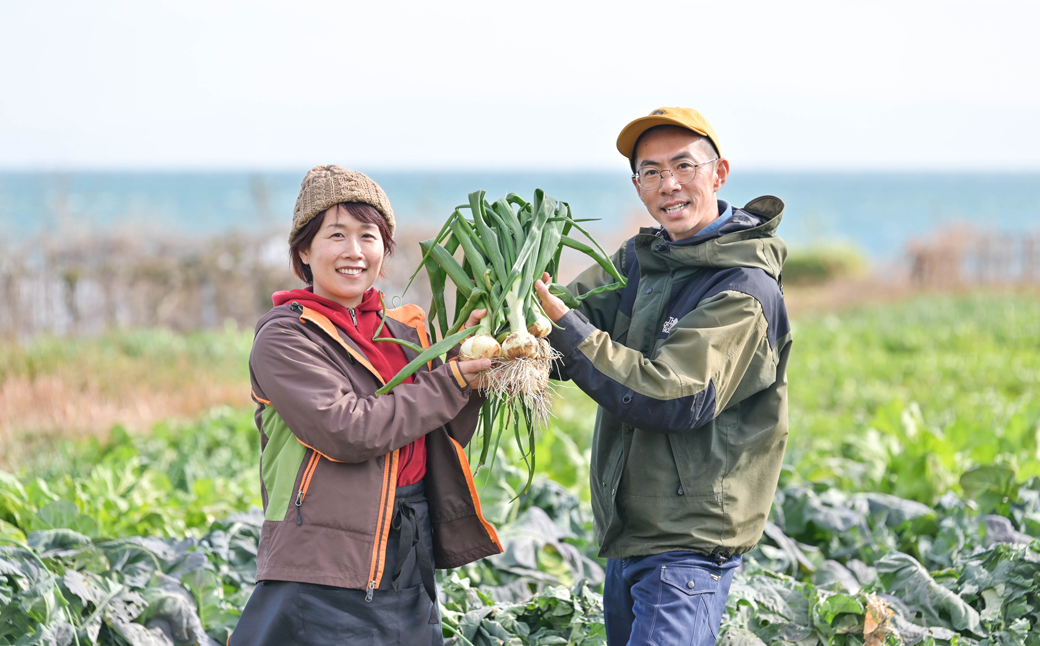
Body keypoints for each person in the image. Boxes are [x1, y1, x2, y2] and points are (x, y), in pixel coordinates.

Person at [534, 108, 792, 646]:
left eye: (683, 166)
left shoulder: (743, 289)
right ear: (637, 185)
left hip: (688, 545)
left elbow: (675, 395)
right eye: (650, 172)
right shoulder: (640, 260)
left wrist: (562, 328)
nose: (668, 184)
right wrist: (512, 325)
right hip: (631, 536)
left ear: (718, 173)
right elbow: (568, 332)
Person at [230, 165, 502, 645]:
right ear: (304, 251)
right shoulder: (285, 337)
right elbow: (348, 430)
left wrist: (474, 364)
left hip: (406, 557)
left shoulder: (405, 332)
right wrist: (450, 379)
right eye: (336, 235)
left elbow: (442, 433)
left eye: (368, 235)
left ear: (384, 250)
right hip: (325, 564)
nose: (354, 251)